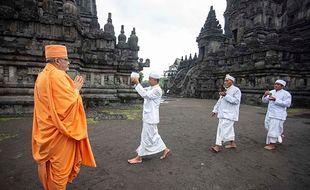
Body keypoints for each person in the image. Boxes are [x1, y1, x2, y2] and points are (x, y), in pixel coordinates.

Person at [32, 45, 96, 190]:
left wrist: (72, 91)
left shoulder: (41, 76)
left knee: (48, 166)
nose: (69, 63)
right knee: (59, 171)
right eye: (66, 60)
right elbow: (67, 106)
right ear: (57, 60)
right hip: (59, 133)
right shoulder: (58, 76)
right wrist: (76, 90)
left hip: (45, 130)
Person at [128, 71, 170, 164]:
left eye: (150, 79)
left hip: (151, 117)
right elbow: (143, 90)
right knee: (154, 136)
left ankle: (139, 157)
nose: (149, 80)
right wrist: (135, 83)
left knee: (146, 137)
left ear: (155, 80)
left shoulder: (157, 90)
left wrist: (138, 83)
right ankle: (165, 149)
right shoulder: (152, 88)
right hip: (150, 117)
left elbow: (145, 95)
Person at [210, 74, 242, 153]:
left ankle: (217, 146)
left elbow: (236, 101)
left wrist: (226, 95)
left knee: (222, 130)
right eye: (225, 80)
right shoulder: (225, 90)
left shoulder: (236, 90)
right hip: (223, 114)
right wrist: (215, 110)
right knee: (228, 129)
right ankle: (232, 143)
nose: (225, 82)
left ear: (232, 81)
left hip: (230, 114)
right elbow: (220, 101)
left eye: (227, 80)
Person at [262, 79, 292, 150]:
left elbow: (288, 104)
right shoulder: (271, 92)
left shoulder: (286, 94)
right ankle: (279, 134)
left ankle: (272, 144)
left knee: (273, 129)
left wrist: (276, 100)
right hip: (269, 113)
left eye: (278, 84)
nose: (276, 85)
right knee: (267, 126)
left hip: (278, 114)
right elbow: (264, 101)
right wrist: (265, 95)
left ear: (282, 86)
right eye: (275, 84)